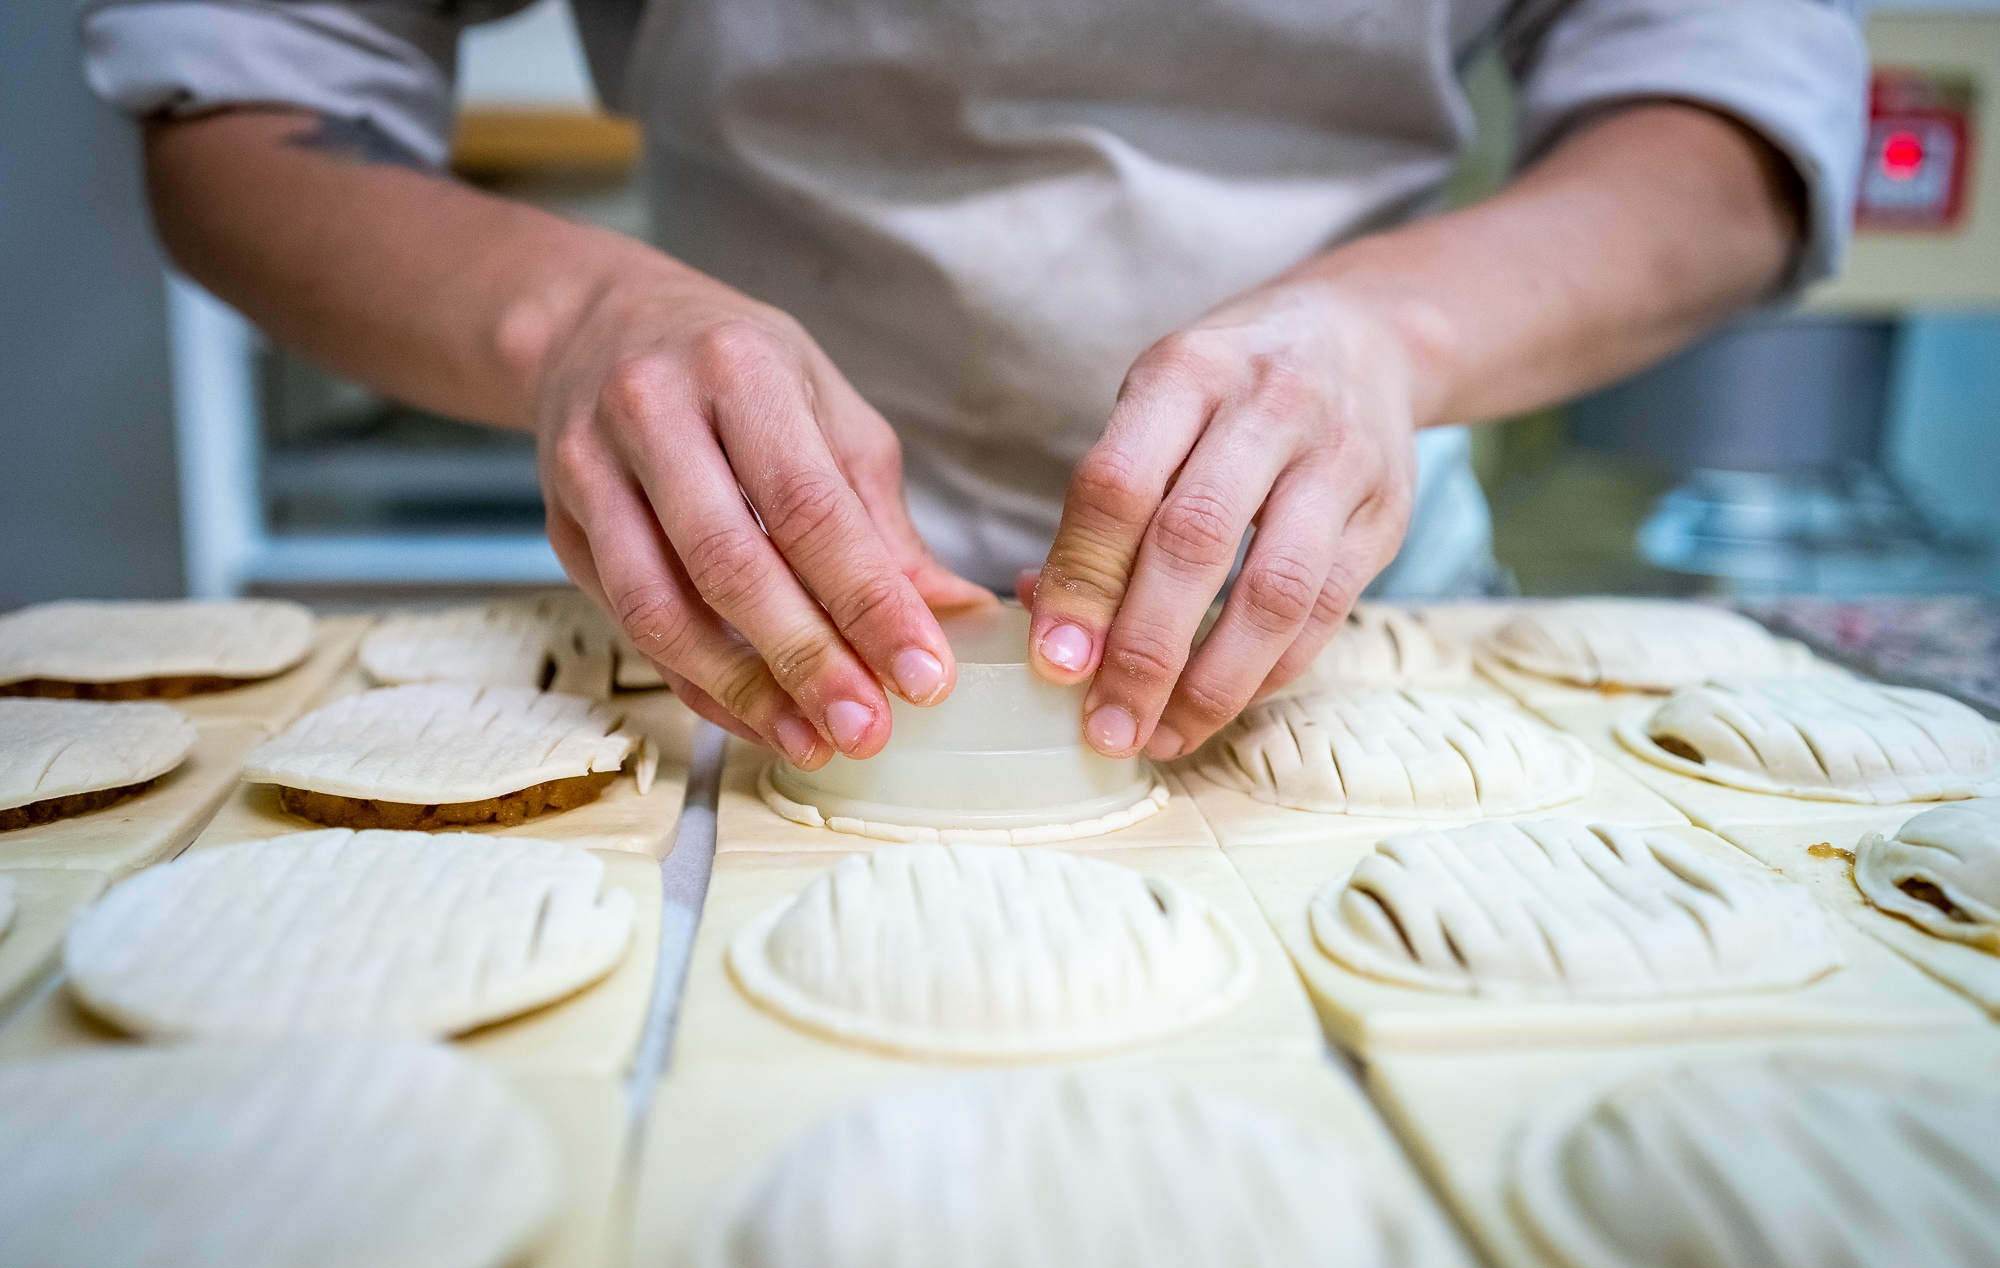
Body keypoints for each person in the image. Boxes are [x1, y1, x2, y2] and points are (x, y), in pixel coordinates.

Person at [82, 0, 1866, 769]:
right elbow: (245, 103)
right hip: (714, 647)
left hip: (1345, 614)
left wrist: (1392, 338)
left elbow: (1728, 110)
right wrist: (572, 322)